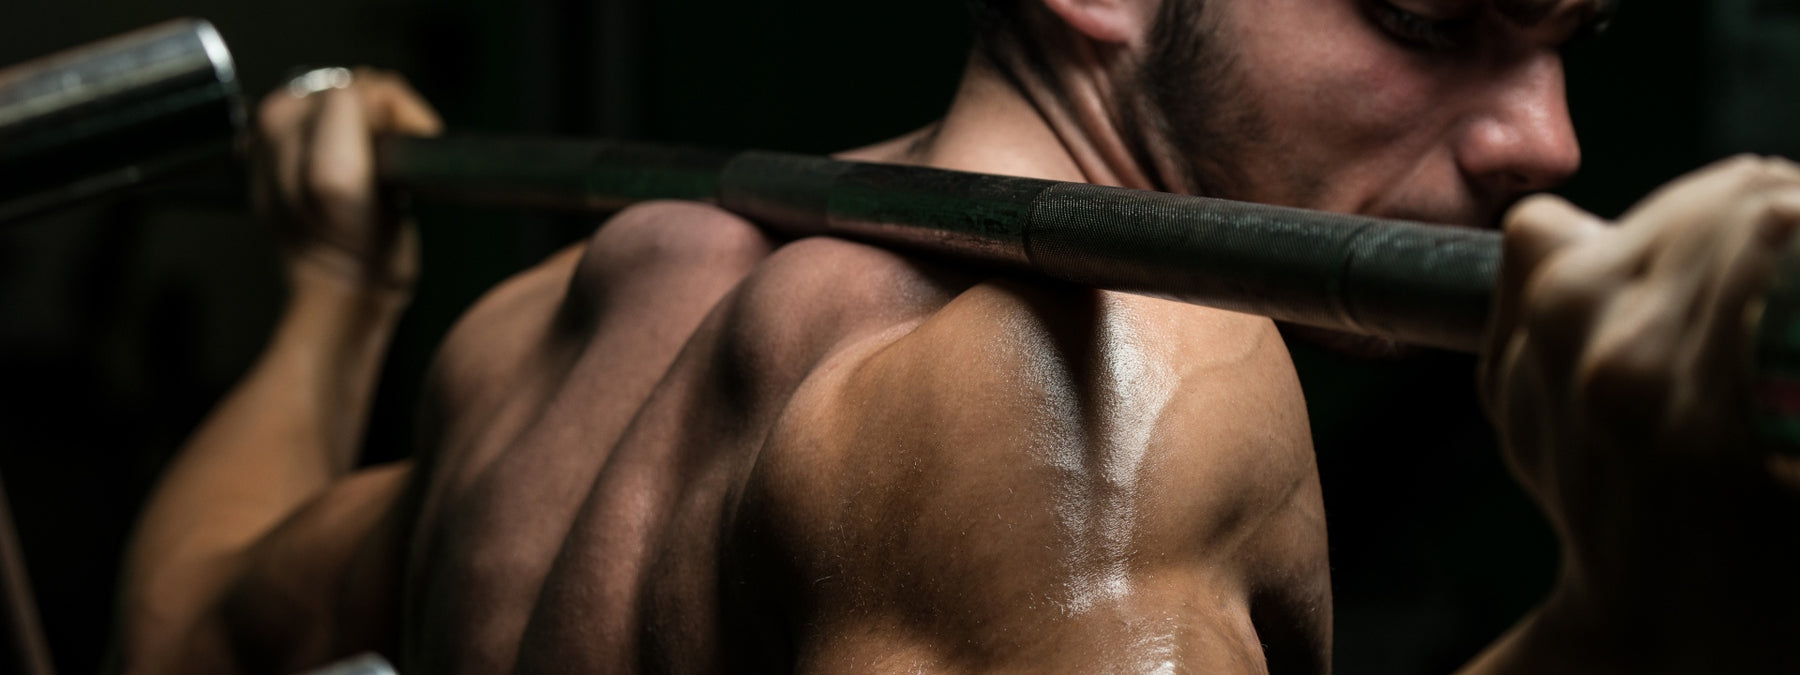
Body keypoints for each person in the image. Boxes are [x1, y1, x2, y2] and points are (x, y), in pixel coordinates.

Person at [116, 0, 1800, 672]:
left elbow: (186, 620)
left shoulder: (567, 321)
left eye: (1568, 40)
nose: (1547, 140)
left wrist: (334, 301)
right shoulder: (1112, 388)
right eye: (1432, 19)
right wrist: (1645, 618)